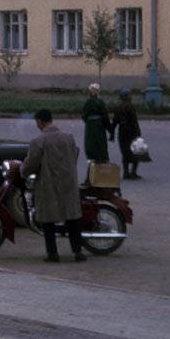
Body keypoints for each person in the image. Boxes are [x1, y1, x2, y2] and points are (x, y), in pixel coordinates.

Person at [22, 109, 86, 263]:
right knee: (72, 218)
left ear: (40, 122)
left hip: (48, 185)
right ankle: (78, 252)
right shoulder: (68, 138)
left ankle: (53, 254)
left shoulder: (38, 141)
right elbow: (74, 155)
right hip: (68, 184)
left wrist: (22, 170)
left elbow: (31, 164)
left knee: (48, 220)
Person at [111, 88, 142, 180]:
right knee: (135, 152)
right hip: (131, 132)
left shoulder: (118, 108)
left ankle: (126, 173)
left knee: (125, 153)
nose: (131, 96)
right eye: (129, 95)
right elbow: (134, 121)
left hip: (122, 133)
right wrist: (138, 133)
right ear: (126, 97)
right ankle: (133, 172)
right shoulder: (130, 107)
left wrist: (112, 134)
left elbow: (114, 122)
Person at [80, 83, 111, 163]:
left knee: (91, 145)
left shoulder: (88, 102)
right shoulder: (100, 102)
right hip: (99, 127)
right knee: (100, 145)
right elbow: (105, 117)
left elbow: (84, 116)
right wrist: (110, 129)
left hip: (90, 127)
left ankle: (92, 169)